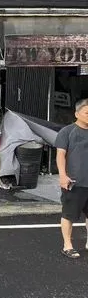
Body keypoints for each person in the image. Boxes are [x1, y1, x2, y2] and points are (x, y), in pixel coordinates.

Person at [55, 98, 88, 259]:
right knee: (69, 214)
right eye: (87, 113)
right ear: (77, 113)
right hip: (74, 182)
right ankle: (67, 245)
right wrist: (62, 175)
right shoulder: (67, 132)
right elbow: (60, 155)